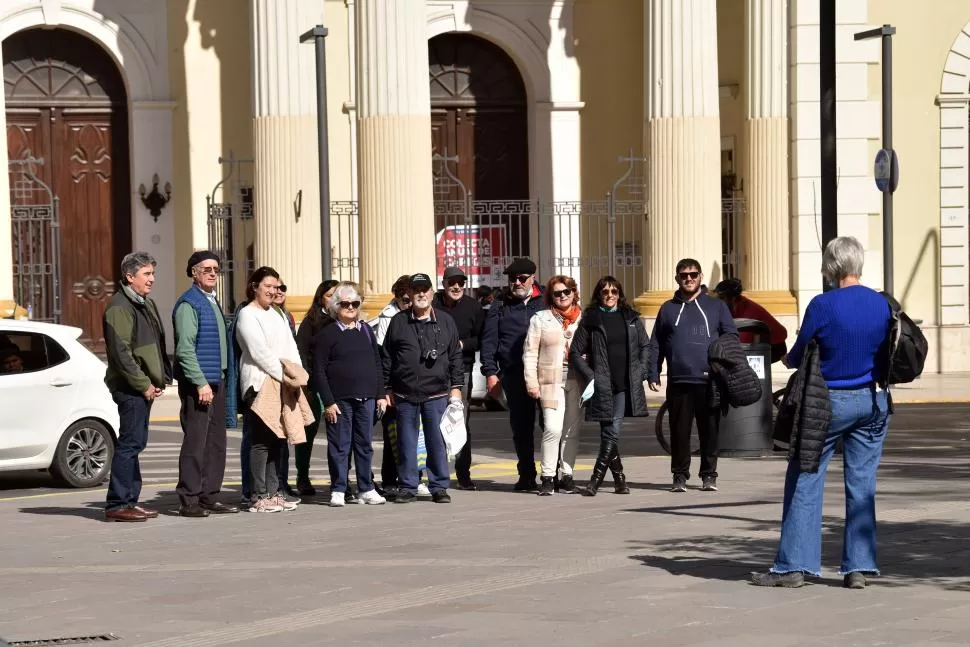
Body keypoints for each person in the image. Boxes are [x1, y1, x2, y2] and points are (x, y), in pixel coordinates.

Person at [752, 236, 892, 589]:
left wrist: (786, 359)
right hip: (872, 401)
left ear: (831, 267)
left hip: (827, 403)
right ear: (858, 264)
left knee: (805, 478)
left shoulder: (823, 305)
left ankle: (794, 566)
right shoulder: (882, 304)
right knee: (862, 486)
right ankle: (858, 569)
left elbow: (799, 353)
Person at [647, 258, 737, 493]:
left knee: (710, 431)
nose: (689, 278)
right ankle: (679, 476)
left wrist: (727, 365)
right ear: (677, 278)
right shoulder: (667, 308)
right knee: (679, 432)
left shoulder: (717, 307)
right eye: (684, 275)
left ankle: (709, 475)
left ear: (701, 277)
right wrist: (653, 371)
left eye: (693, 274)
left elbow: (731, 337)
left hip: (710, 381)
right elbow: (655, 343)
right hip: (679, 380)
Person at [381, 273, 464, 504]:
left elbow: (455, 356)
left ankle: (439, 486)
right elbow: (387, 356)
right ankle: (408, 486)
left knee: (436, 441)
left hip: (436, 392)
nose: (420, 294)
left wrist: (456, 387)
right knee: (406, 442)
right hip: (404, 393)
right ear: (409, 293)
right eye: (416, 290)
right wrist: (386, 388)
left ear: (431, 292)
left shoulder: (446, 321)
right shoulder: (398, 321)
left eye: (425, 289)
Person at [102, 252, 172, 522]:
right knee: (129, 444)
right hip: (130, 388)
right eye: (146, 274)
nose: (152, 279)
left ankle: (130, 500)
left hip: (143, 386)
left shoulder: (145, 303)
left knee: (136, 443)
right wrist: (144, 384)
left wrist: (159, 378)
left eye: (152, 273)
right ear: (130, 277)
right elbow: (122, 354)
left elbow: (155, 345)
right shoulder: (119, 306)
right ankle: (118, 503)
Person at [172, 250, 238, 518]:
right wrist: (200, 383)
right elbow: (185, 349)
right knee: (195, 444)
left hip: (216, 380)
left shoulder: (211, 301)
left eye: (215, 269)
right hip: (199, 384)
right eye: (206, 269)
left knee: (215, 443)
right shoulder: (189, 304)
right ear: (194, 273)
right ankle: (189, 499)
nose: (213, 273)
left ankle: (209, 495)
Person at [570, 276, 649, 496]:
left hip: (624, 382)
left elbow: (645, 346)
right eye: (605, 292)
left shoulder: (631, 318)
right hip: (602, 383)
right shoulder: (591, 320)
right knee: (608, 431)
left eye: (614, 291)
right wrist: (590, 375)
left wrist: (641, 370)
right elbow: (575, 352)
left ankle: (594, 481)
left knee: (612, 432)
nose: (610, 296)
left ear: (619, 294)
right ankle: (620, 480)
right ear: (599, 295)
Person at [235, 266, 303, 513]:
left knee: (278, 440)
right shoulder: (247, 314)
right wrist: (283, 375)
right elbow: (258, 352)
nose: (273, 291)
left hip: (283, 381)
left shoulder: (277, 314)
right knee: (260, 441)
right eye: (268, 287)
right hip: (260, 383)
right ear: (255, 287)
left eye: (276, 287)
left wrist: (297, 373)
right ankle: (258, 495)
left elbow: (290, 347)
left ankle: (274, 492)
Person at [314, 282, 387, 506]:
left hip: (366, 397)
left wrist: (381, 394)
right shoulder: (326, 334)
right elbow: (319, 370)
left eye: (355, 303)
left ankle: (366, 487)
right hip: (340, 400)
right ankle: (339, 488)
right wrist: (328, 401)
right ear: (336, 306)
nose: (350, 307)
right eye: (345, 304)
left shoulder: (365, 330)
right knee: (340, 445)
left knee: (364, 444)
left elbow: (377, 362)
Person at [480, 259, 544, 491]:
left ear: (532, 279)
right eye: (512, 279)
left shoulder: (546, 300)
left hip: (546, 373)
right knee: (521, 427)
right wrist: (490, 373)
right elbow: (489, 341)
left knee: (551, 426)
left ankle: (551, 474)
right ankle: (526, 475)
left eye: (521, 278)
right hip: (514, 374)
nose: (516, 283)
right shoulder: (500, 304)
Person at [523, 275, 584, 496]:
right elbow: (530, 353)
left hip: (578, 381)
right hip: (550, 381)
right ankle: (547, 476)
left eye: (567, 291)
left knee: (572, 430)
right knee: (552, 428)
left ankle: (567, 475)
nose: (563, 296)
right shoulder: (541, 319)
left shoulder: (583, 318)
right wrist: (532, 383)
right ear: (551, 296)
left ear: (574, 292)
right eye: (557, 293)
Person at [433, 266, 485, 491]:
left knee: (460, 423)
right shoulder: (433, 304)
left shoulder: (474, 307)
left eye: (461, 283)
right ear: (443, 283)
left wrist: (463, 344)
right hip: (432, 372)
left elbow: (482, 338)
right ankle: (435, 474)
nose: (456, 287)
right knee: (432, 423)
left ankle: (463, 474)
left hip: (461, 371)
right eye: (452, 282)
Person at [294, 279, 339, 496]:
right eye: (330, 295)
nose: (334, 299)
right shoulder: (311, 321)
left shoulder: (343, 318)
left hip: (337, 384)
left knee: (339, 433)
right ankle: (302, 476)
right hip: (313, 384)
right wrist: (307, 382)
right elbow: (301, 352)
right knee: (308, 431)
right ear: (321, 297)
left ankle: (339, 478)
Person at [370, 274, 411, 491]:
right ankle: (389, 480)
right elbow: (385, 355)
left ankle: (411, 477)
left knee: (413, 434)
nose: (409, 303)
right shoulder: (388, 317)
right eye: (405, 299)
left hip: (412, 384)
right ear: (396, 298)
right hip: (394, 385)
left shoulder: (415, 313)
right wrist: (386, 388)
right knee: (392, 434)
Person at [713, 278, 788, 363]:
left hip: (775, 346)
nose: (718, 301)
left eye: (721, 298)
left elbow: (742, 341)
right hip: (758, 342)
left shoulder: (749, 311)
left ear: (732, 298)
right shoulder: (733, 307)